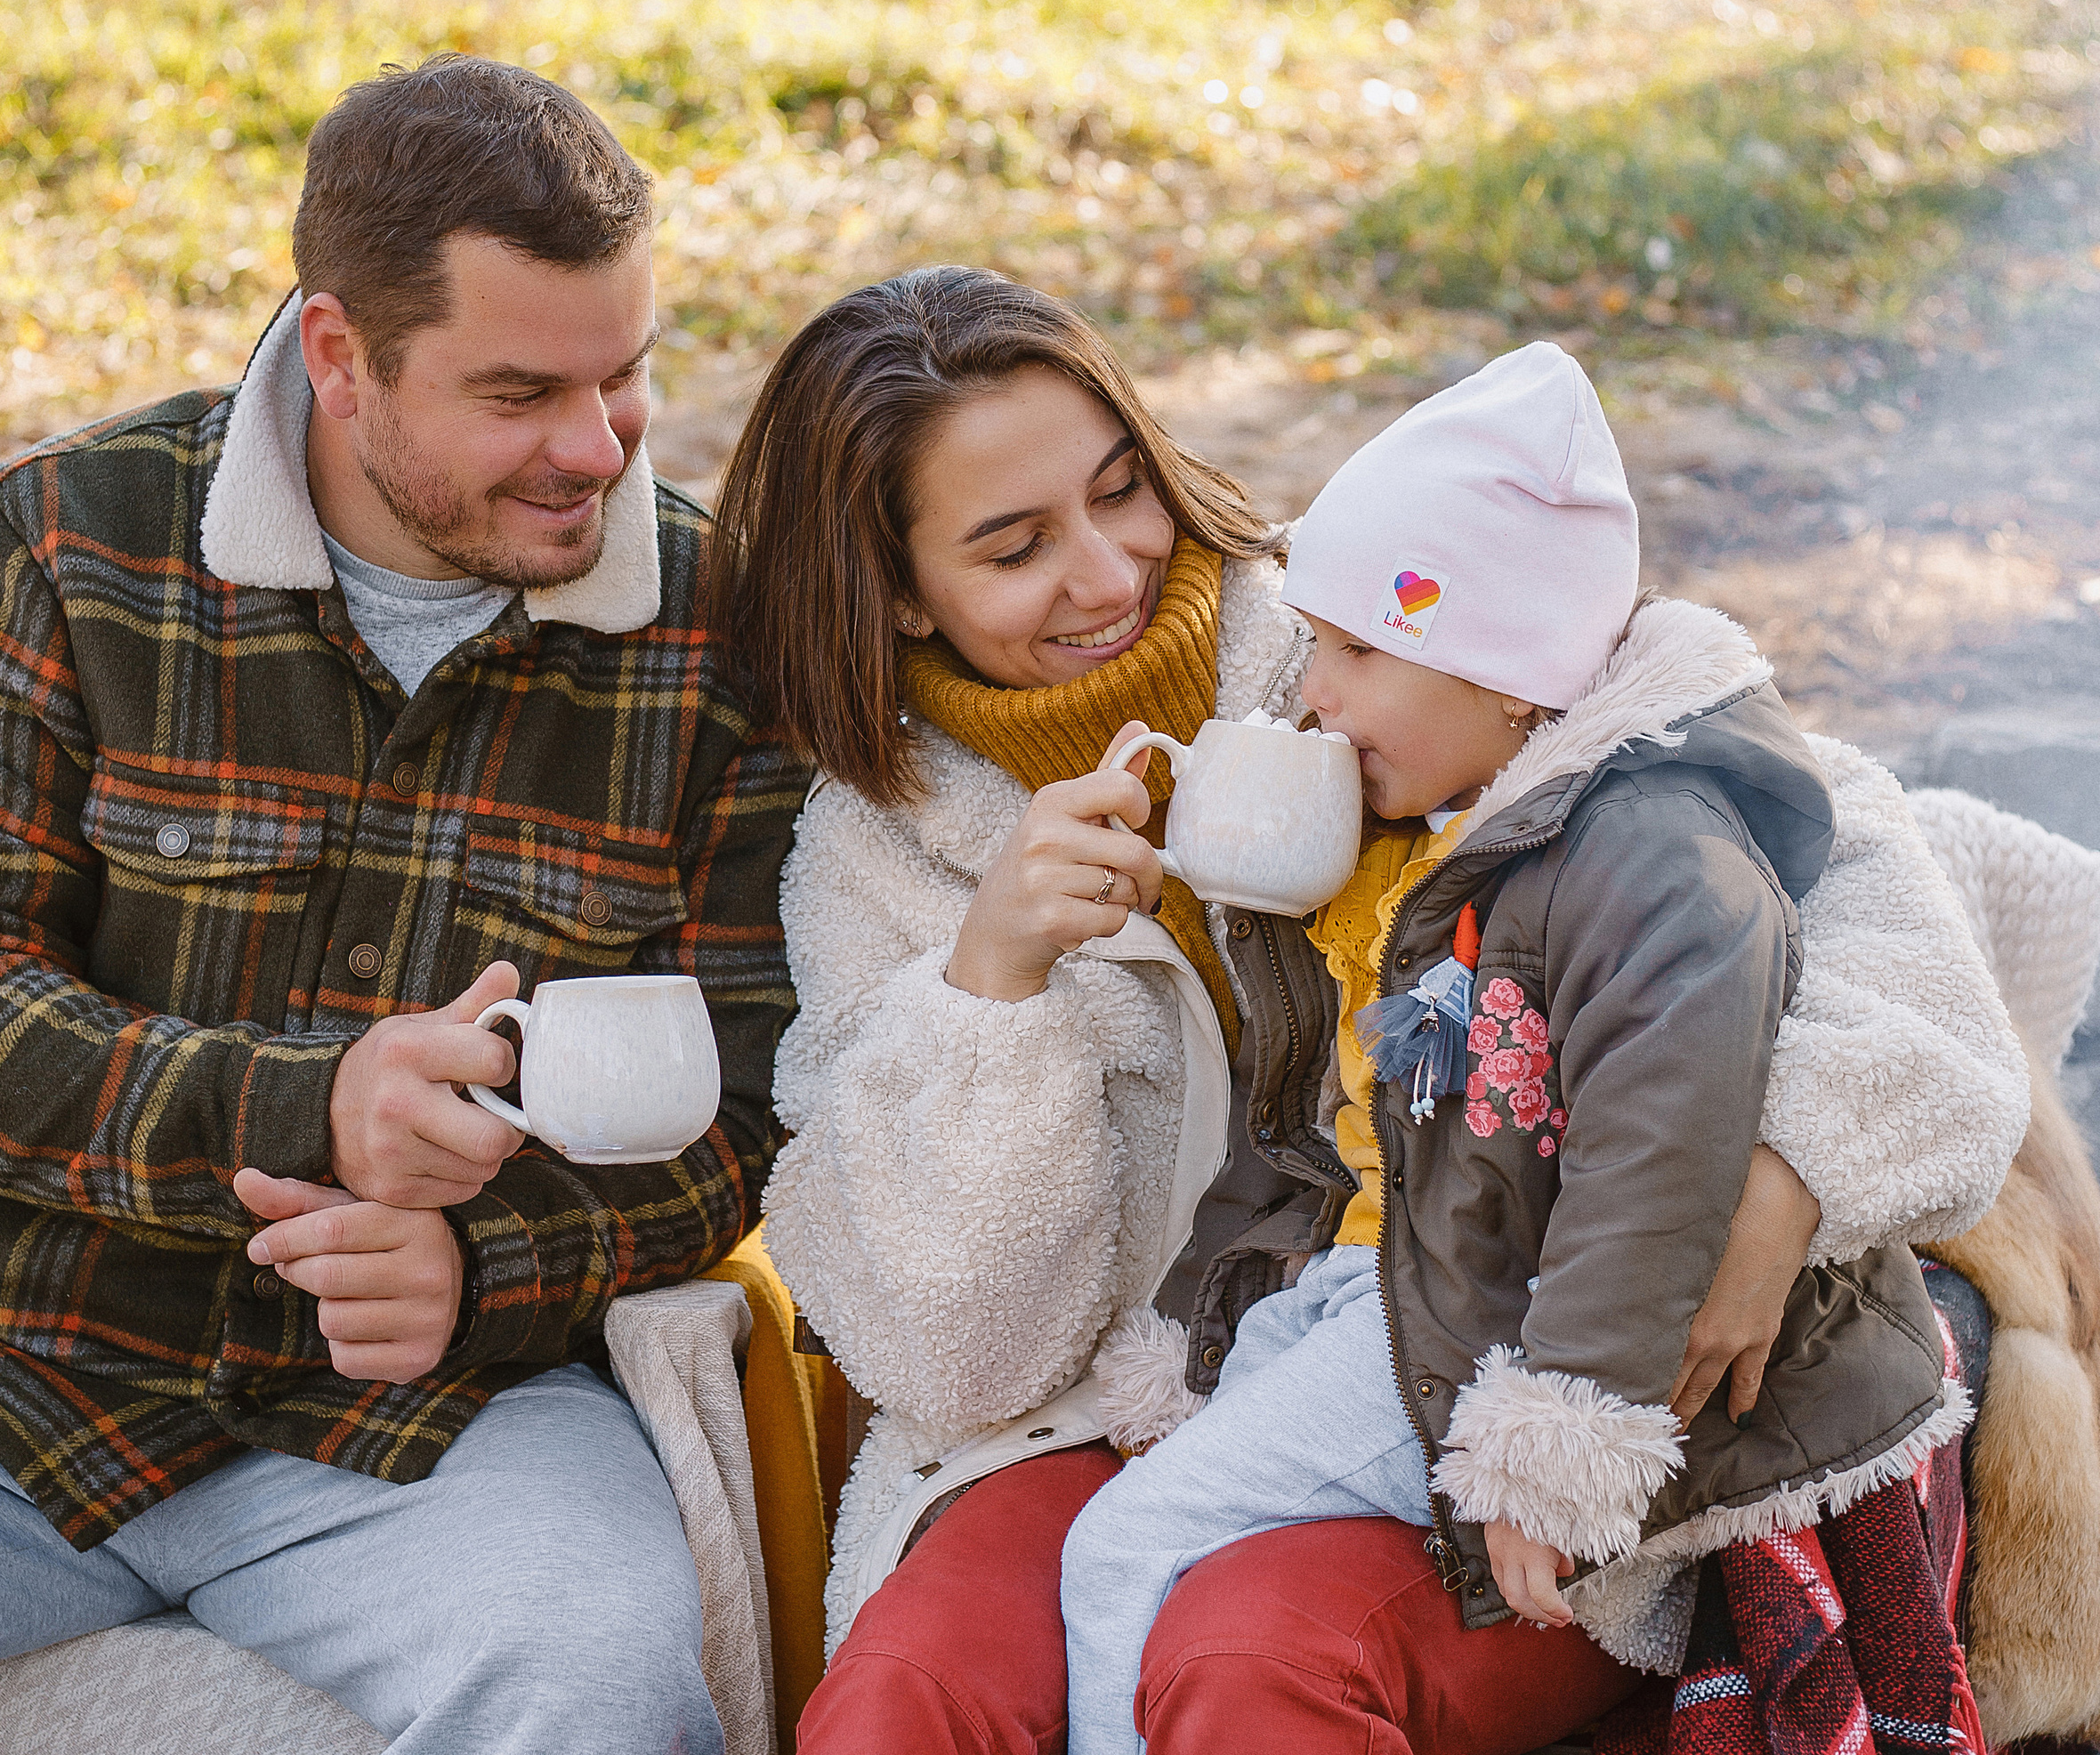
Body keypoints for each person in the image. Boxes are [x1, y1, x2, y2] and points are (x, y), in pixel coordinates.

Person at [704, 267, 2027, 1754]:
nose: (1108, 572)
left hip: (1458, 1379)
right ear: (893, 589)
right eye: (1014, 548)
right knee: (904, 1703)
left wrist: (1775, 1188)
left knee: (1246, 1666)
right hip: (1104, 1407)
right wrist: (991, 987)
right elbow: (955, 1365)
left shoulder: (1377, 624)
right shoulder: (878, 853)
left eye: (1122, 488)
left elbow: (1824, 889)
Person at [0, 55, 808, 1751]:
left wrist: (482, 1263)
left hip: (442, 1418)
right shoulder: (62, 541)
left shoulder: (728, 636)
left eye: (625, 374)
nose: (594, 448)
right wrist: (309, 1112)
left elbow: (755, 1102)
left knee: (603, 1688)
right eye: (518, 393)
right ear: (343, 357)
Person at [1057, 342, 2016, 1752]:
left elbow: (1656, 1161)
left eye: (1361, 650)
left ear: (1509, 674)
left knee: (1121, 1550)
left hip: (1503, 1333)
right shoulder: (1480, 826)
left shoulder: (1648, 858)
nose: (1311, 693)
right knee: (1180, 1501)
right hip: (1409, 1293)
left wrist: (1554, 1449)